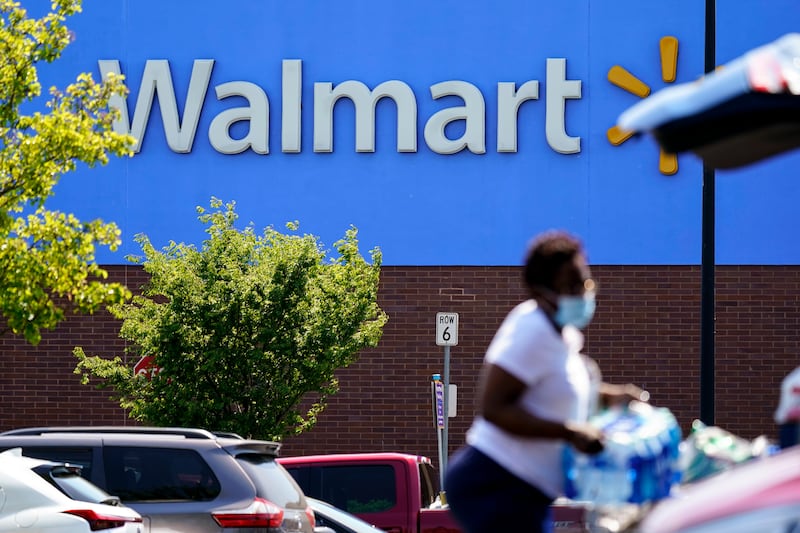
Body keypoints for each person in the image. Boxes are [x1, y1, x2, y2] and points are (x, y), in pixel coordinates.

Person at [444, 230, 646, 533]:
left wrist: (611, 396)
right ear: (542, 291)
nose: (581, 293)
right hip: (495, 484)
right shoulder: (530, 330)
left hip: (528, 491)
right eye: (570, 285)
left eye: (585, 282)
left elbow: (560, 393)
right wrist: (569, 432)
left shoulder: (564, 335)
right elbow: (494, 407)